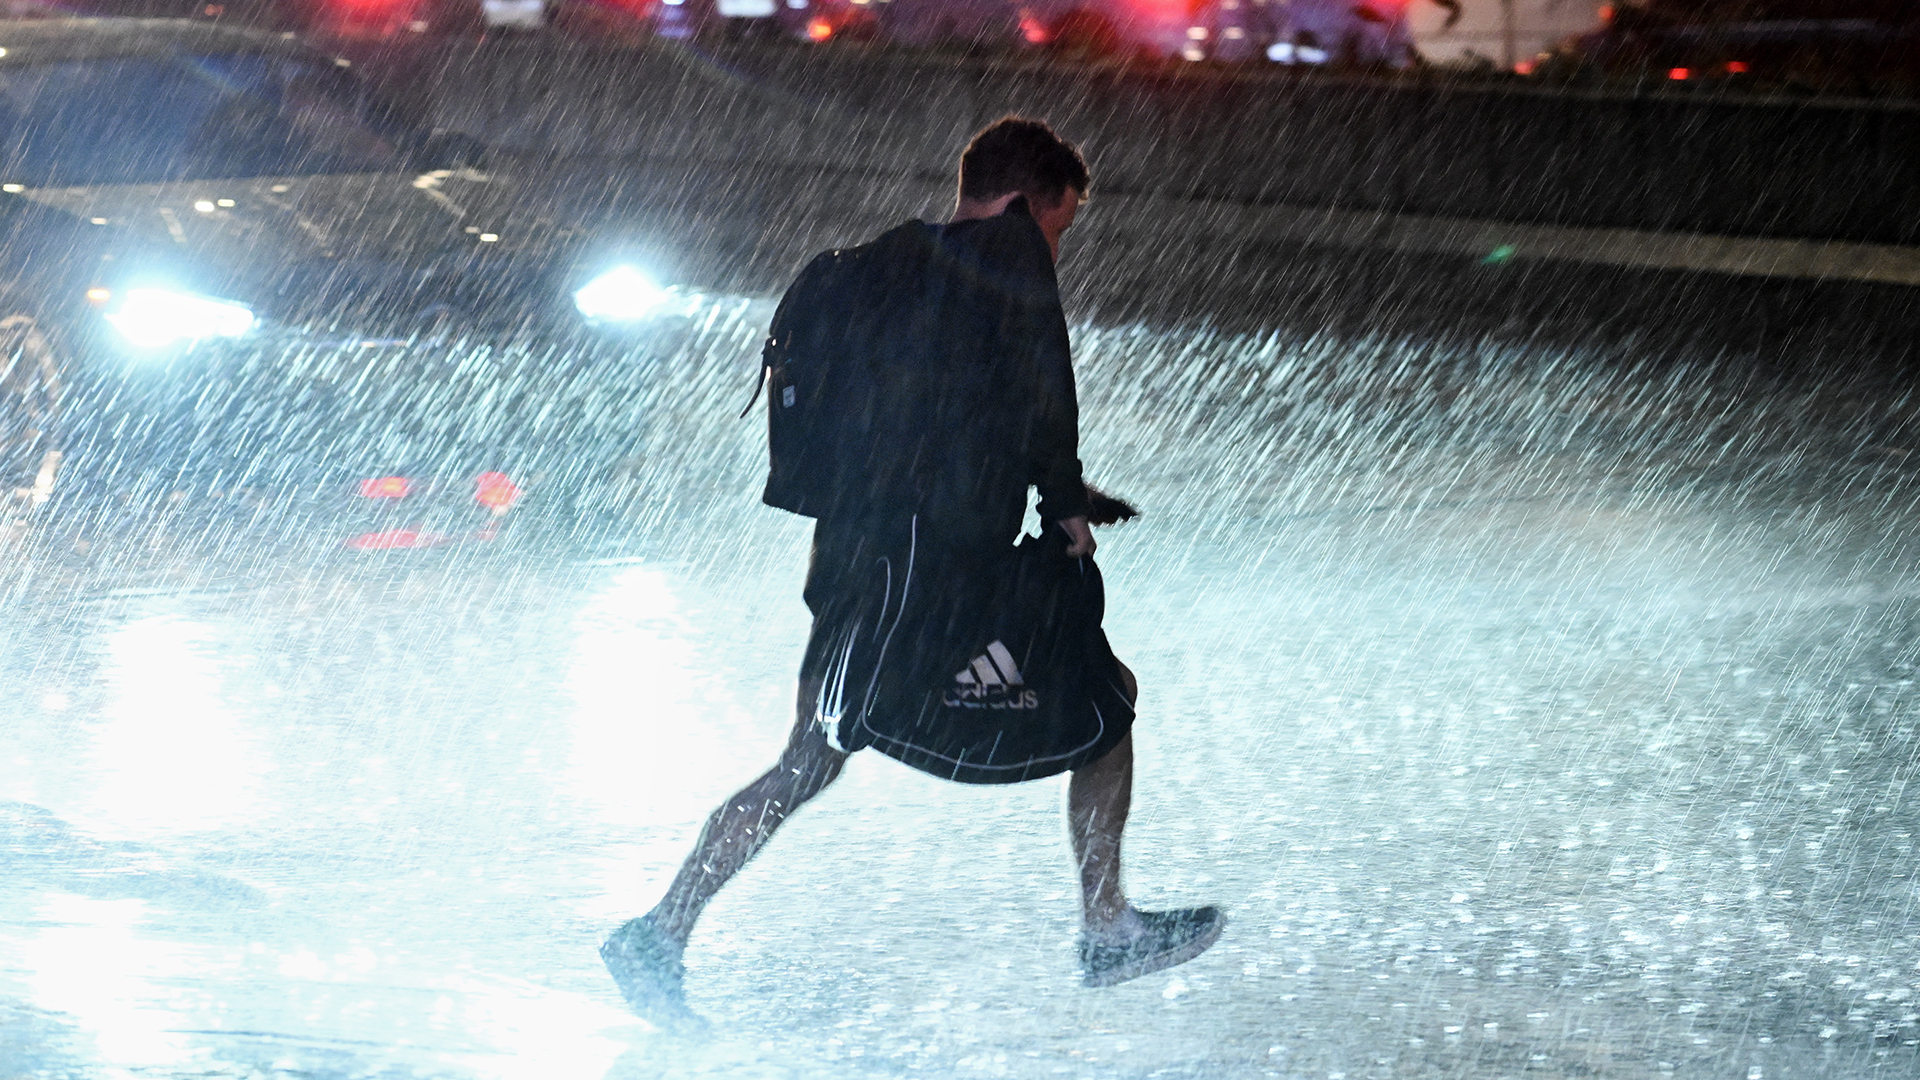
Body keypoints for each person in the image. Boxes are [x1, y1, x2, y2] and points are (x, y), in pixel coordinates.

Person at [601, 117, 1223, 1025]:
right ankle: (1105, 927)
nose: (1056, 246)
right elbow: (1045, 385)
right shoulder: (1006, 253)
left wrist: (1061, 487)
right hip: (917, 577)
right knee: (1083, 708)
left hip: (867, 559)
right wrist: (1065, 506)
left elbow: (943, 416)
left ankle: (660, 933)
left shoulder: (898, 266)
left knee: (833, 756)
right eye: (1061, 224)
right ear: (1025, 201)